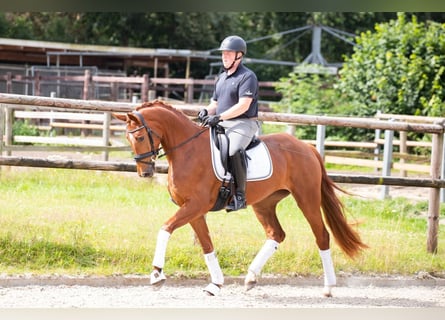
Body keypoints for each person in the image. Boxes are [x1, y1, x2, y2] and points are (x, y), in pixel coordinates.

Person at [198, 35, 260, 211]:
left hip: (243, 123)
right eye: (223, 53)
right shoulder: (222, 78)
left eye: (229, 53)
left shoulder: (247, 76)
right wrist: (206, 111)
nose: (224, 56)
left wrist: (219, 117)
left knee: (233, 150)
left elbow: (243, 105)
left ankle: (240, 195)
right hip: (222, 122)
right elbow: (215, 104)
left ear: (239, 56)